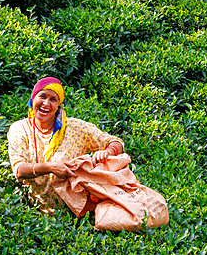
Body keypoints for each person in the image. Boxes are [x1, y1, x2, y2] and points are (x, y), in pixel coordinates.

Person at [8, 76, 124, 215]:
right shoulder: (20, 129)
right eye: (42, 96)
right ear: (33, 99)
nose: (46, 103)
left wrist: (108, 152)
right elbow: (20, 170)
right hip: (37, 213)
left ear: (58, 106)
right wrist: (50, 167)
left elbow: (116, 142)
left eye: (53, 100)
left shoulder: (75, 127)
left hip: (80, 213)